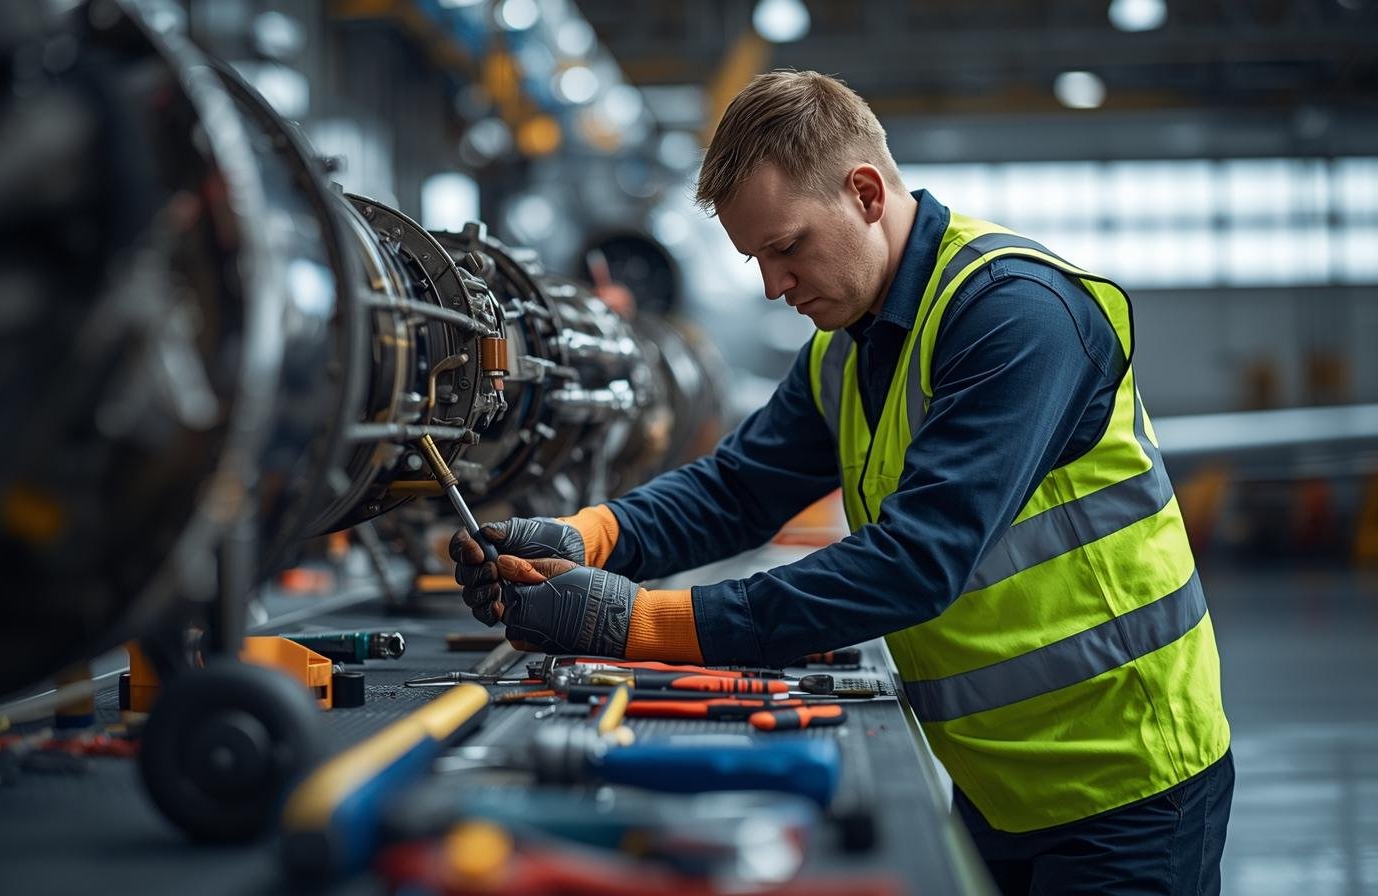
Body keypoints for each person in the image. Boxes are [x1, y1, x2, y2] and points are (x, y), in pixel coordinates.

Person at [450, 70, 1232, 895]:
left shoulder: (1016, 314)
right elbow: (737, 491)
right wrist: (588, 538)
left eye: (786, 247)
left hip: (1128, 780)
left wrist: (637, 623)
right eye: (756, 259)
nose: (772, 286)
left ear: (865, 192)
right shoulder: (846, 348)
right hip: (1002, 782)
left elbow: (917, 562)